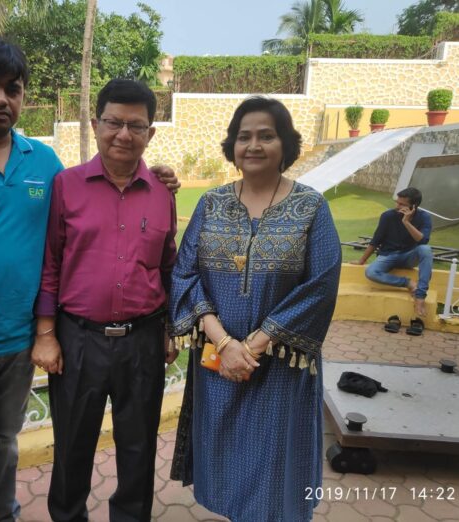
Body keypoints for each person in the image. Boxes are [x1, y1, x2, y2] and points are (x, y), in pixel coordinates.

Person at [0, 37, 178, 522]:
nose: (1, 98)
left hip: (20, 343)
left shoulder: (43, 164)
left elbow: (138, 249)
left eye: (13, 89)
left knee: (5, 446)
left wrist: (158, 180)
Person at [169, 96, 342, 522]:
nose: (254, 145)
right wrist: (225, 343)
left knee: (273, 470)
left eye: (267, 136)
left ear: (286, 144)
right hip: (219, 365)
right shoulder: (211, 204)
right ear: (232, 145)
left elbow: (321, 285)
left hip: (279, 369)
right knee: (226, 461)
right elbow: (184, 274)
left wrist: (255, 345)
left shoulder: (311, 207)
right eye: (244, 136)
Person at [32, 79, 178, 522]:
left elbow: (167, 266)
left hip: (143, 341)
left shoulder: (162, 193)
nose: (124, 134)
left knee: (139, 446)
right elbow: (50, 262)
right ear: (96, 125)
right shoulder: (66, 186)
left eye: (136, 126)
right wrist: (46, 334)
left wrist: (169, 329)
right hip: (79, 340)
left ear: (151, 133)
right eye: (114, 122)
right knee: (72, 444)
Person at [351, 187, 432, 317]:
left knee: (425, 249)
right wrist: (362, 260)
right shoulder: (388, 216)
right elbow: (376, 240)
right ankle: (409, 283)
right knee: (371, 272)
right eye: (397, 202)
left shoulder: (424, 217)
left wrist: (406, 222)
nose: (397, 206)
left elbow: (423, 240)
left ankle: (420, 296)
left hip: (409, 256)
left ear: (413, 206)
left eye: (402, 204)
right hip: (388, 255)